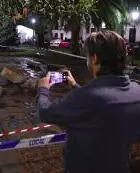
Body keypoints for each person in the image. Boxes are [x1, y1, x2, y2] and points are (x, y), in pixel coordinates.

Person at [37, 30, 140, 173]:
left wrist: (43, 88)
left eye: (87, 56)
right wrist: (74, 85)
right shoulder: (136, 92)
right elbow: (100, 104)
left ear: (95, 58)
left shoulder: (87, 97)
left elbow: (45, 112)